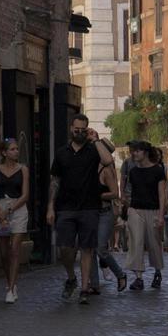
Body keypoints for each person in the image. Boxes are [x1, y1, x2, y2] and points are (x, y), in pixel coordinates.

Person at [45, 114, 113, 305]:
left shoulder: (93, 150)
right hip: (65, 207)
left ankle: (84, 288)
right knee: (65, 249)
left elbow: (108, 160)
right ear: (71, 128)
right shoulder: (61, 153)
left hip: (89, 207)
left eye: (84, 130)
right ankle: (71, 278)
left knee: (87, 249)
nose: (80, 133)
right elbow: (55, 181)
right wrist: (50, 206)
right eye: (77, 129)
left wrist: (96, 140)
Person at [0, 138, 30, 303]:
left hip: (17, 208)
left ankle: (11, 289)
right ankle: (9, 281)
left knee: (14, 249)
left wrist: (9, 210)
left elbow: (25, 194)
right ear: (4, 152)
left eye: (16, 149)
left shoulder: (23, 170)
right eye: (12, 149)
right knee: (4, 253)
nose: (16, 152)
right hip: (0, 208)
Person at [124, 143, 167, 289]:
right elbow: (129, 190)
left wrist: (161, 215)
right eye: (132, 151)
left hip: (153, 210)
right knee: (136, 243)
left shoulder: (158, 170)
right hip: (136, 209)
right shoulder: (133, 171)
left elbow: (162, 195)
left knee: (154, 244)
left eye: (137, 151)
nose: (133, 154)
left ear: (146, 152)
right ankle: (139, 278)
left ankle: (157, 272)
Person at [89, 137, 129, 293]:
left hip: (105, 213)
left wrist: (97, 196)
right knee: (89, 249)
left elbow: (114, 193)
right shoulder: (89, 167)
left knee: (100, 248)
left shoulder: (106, 170)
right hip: (90, 212)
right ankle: (94, 285)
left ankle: (120, 274)